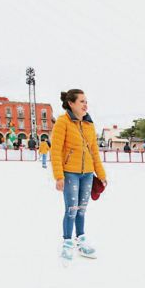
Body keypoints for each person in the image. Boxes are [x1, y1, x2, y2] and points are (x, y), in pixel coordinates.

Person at [51, 88, 108, 261]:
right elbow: (56, 151)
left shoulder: (89, 124)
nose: (85, 104)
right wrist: (59, 176)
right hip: (70, 173)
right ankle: (67, 242)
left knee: (82, 210)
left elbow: (94, 152)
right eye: (81, 101)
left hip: (88, 174)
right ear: (71, 103)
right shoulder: (63, 122)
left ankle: (81, 239)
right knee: (71, 210)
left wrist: (101, 174)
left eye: (86, 101)